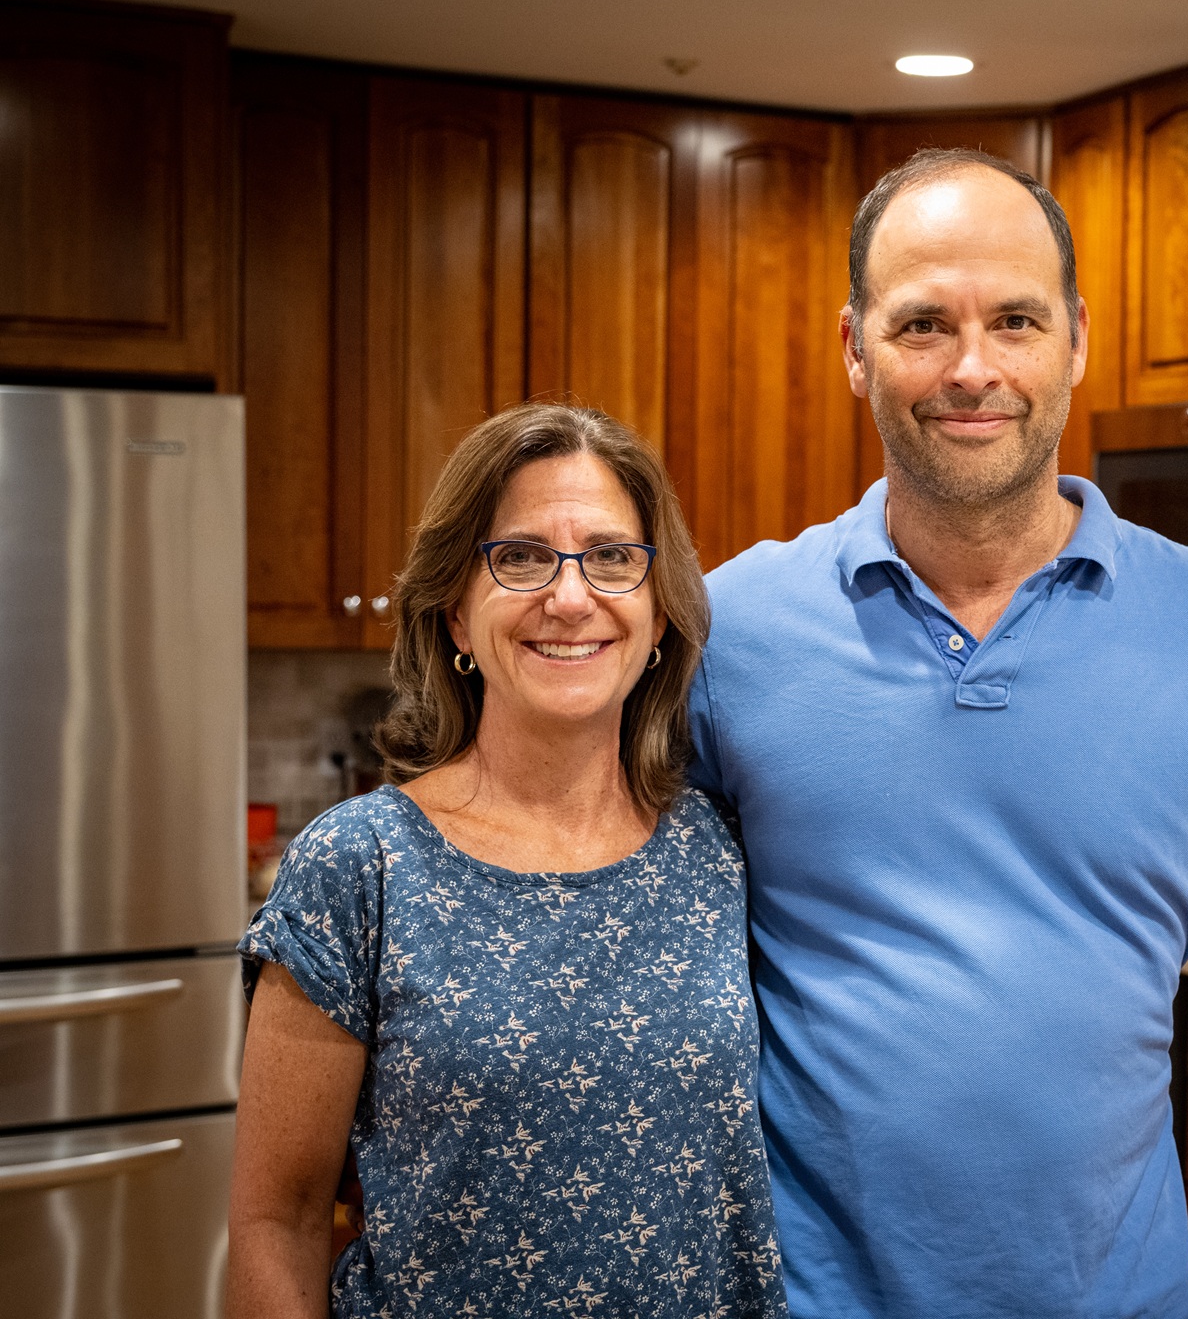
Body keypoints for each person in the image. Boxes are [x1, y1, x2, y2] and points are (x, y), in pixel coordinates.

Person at [688, 148, 1188, 1318]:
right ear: (853, 347)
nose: (973, 368)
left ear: (1076, 338)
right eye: (921, 326)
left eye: (1014, 319)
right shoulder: (730, 628)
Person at [229, 404, 785, 1318]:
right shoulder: (359, 866)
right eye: (520, 558)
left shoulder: (721, 847)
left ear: (656, 616)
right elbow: (276, 1221)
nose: (570, 598)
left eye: (612, 557)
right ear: (456, 609)